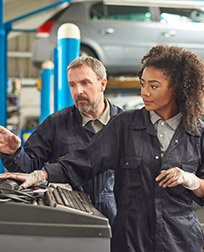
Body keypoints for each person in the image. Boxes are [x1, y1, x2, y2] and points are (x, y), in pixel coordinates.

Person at [2, 45, 204, 252]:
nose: (144, 92)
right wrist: (36, 175)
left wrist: (191, 180)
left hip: (180, 240)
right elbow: (81, 162)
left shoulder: (198, 133)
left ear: (178, 88)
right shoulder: (124, 124)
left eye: (153, 86)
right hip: (130, 239)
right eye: (142, 84)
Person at [0, 56, 122, 224]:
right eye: (72, 85)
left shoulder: (125, 124)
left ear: (102, 84)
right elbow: (28, 167)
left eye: (85, 83)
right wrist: (13, 153)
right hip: (70, 215)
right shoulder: (56, 124)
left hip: (119, 219)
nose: (78, 91)